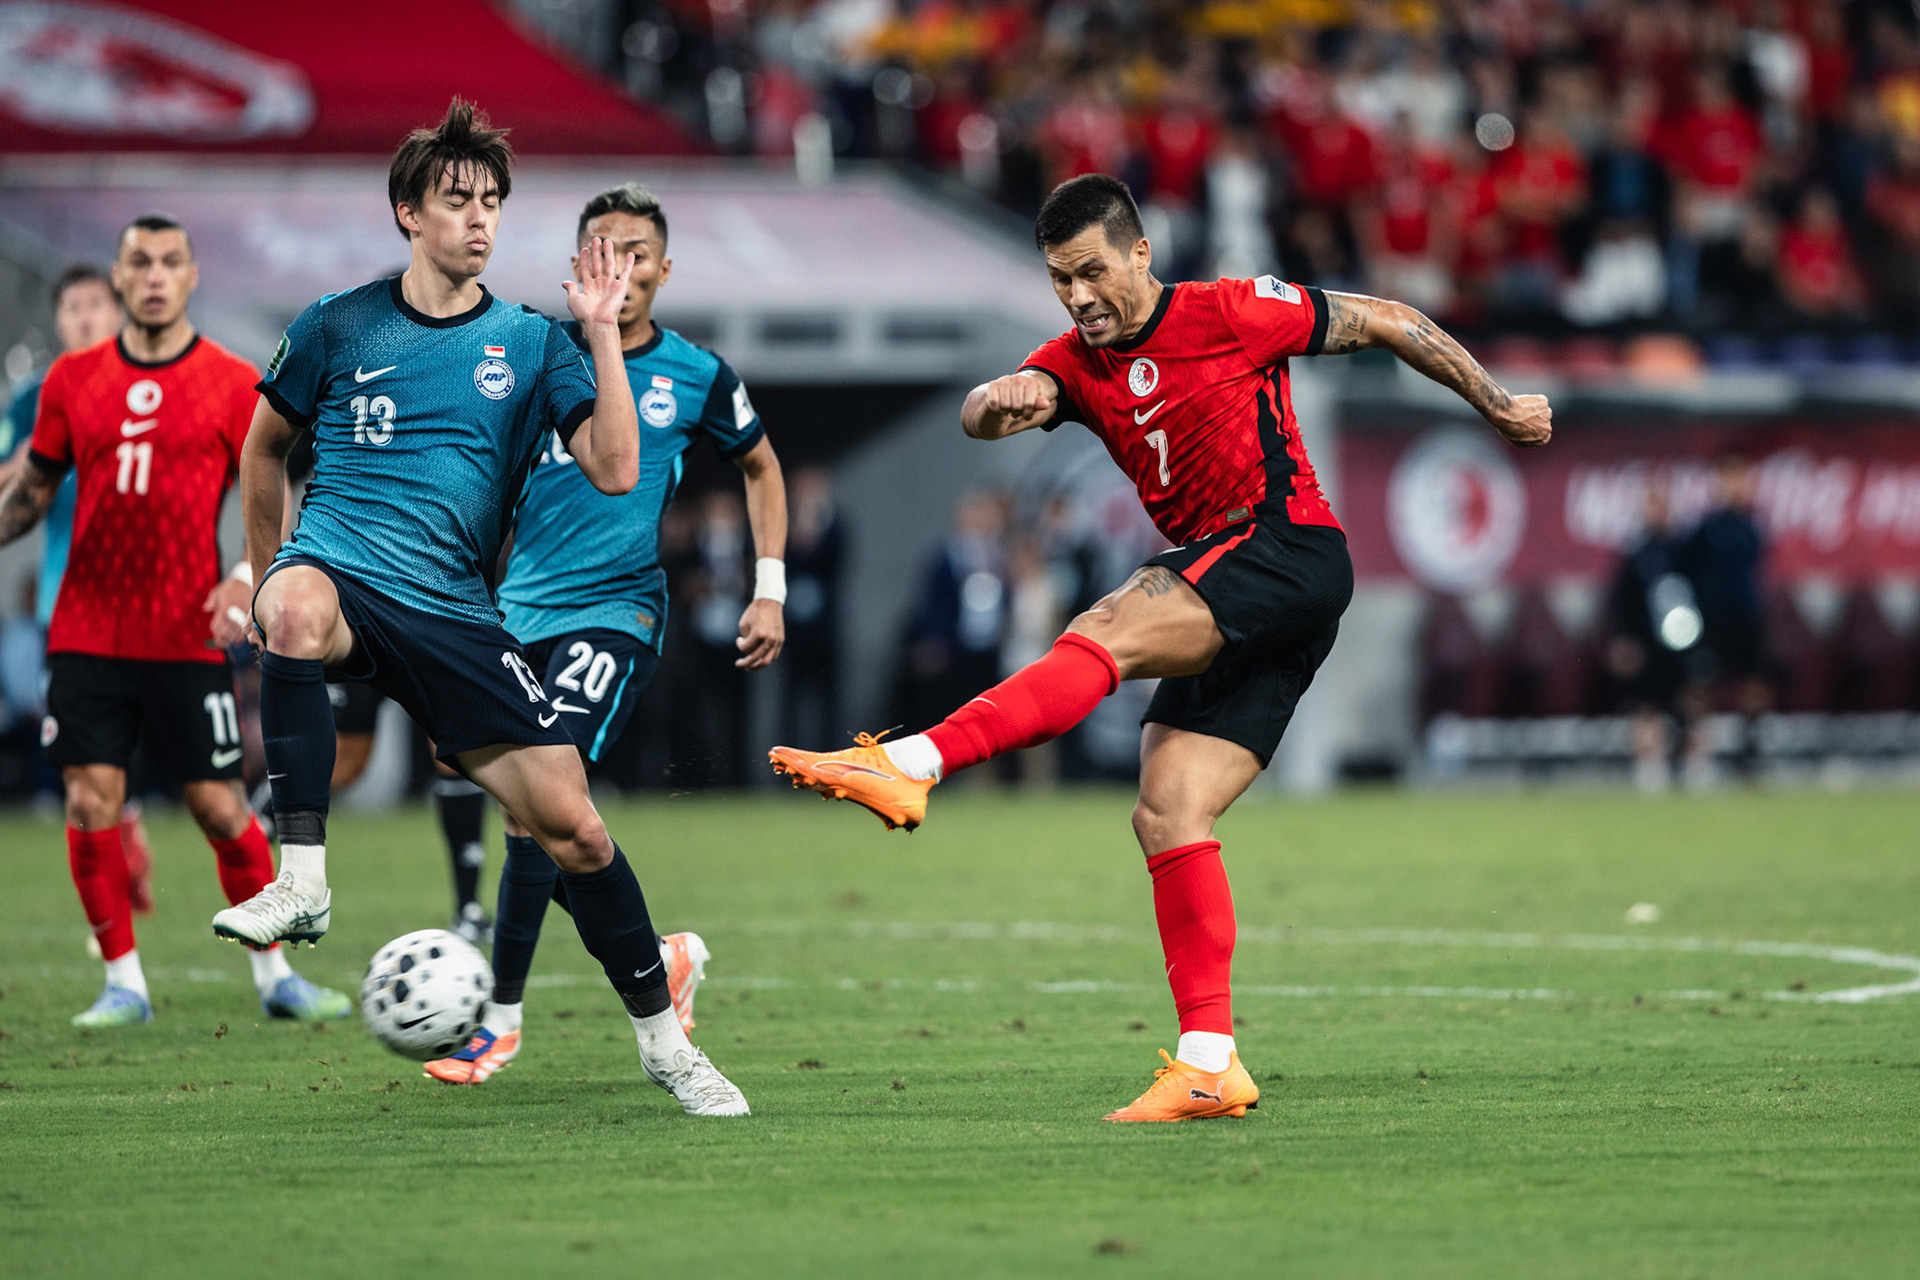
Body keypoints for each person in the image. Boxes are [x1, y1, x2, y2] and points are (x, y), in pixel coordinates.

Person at [771, 173, 1551, 1122]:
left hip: (1281, 546)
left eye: (1093, 271)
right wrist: (1002, 395)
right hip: (1234, 578)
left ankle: (912, 761)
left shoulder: (1230, 311)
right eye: (1061, 280)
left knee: (1104, 628)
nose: (1079, 296)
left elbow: (1387, 318)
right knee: (1169, 810)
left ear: (1141, 252)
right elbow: (986, 409)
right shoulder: (1072, 359)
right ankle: (1210, 1063)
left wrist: (1498, 403)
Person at [213, 101, 747, 1115]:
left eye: (493, 200)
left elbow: (618, 464)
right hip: (341, 574)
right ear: (408, 213)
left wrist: (597, 337)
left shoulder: (532, 342)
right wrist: (258, 569)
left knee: (572, 829)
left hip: (457, 612)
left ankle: (667, 1044)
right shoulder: (337, 322)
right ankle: (304, 873)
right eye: (458, 199)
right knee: (291, 607)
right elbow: (264, 446)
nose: (481, 218)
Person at [424, 181, 786, 1085]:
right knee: (532, 813)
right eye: (601, 248)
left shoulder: (698, 374)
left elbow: (762, 467)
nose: (617, 265)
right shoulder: (536, 355)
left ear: (663, 268)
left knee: (539, 795)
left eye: (635, 250)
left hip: (617, 610)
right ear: (576, 264)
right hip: (513, 610)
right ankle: (659, 959)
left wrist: (767, 586)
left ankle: (499, 1025)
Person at [0, 216, 349, 1027]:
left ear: (192, 277)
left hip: (185, 632)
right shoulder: (70, 382)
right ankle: (124, 982)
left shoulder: (232, 381)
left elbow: (274, 491)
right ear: (119, 280)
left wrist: (243, 579)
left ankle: (277, 983)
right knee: (91, 801)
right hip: (86, 629)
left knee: (219, 807)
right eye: (139, 263)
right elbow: (31, 494)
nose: (154, 276)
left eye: (169, 262)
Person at [0, 264, 157, 909]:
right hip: (66, 604)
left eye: (98, 304)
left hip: (150, 599)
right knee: (78, 761)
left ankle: (130, 824)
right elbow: (10, 479)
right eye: (74, 307)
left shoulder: (150, 388)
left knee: (138, 749)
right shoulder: (32, 401)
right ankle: (119, 866)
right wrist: (38, 457)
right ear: (59, 319)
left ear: (118, 314)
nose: (86, 317)